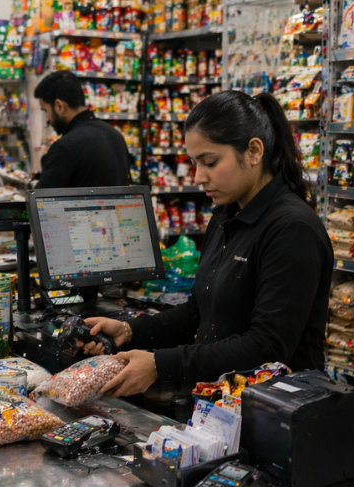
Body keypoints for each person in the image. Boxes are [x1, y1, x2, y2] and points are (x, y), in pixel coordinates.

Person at [80, 90, 333, 399]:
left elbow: (267, 347)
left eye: (210, 162)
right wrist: (131, 331)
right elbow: (199, 313)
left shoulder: (292, 229)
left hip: (278, 413)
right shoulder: (227, 216)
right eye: (194, 163)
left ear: (254, 151)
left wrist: (160, 364)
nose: (199, 177)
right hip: (222, 404)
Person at [33, 71, 130, 189]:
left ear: (59, 106)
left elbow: (39, 203)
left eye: (46, 111)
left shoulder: (65, 147)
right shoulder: (115, 136)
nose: (47, 119)